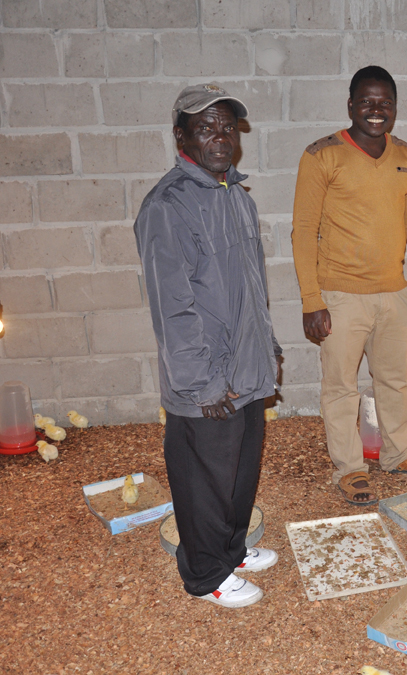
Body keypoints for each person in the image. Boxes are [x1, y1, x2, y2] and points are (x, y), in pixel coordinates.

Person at [135, 84, 281, 608]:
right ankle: (203, 574)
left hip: (245, 364)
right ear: (181, 136)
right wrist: (200, 385)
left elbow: (251, 285)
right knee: (205, 478)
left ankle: (232, 549)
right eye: (206, 128)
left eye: (226, 127)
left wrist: (268, 345)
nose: (220, 137)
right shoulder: (168, 207)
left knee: (240, 470)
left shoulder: (235, 197)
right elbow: (172, 307)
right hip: (206, 377)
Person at [292, 65, 407, 506]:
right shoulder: (322, 156)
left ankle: (399, 454)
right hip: (339, 297)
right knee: (341, 387)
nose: (376, 111)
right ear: (351, 106)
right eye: (366, 102)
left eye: (385, 103)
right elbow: (303, 230)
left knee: (393, 380)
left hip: (394, 294)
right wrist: (311, 299)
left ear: (394, 108)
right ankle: (351, 469)